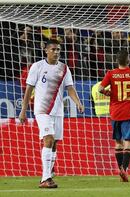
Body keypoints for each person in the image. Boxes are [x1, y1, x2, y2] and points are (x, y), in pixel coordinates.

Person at [19, 39, 84, 188]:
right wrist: (23, 110)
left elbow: (70, 88)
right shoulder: (37, 66)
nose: (56, 52)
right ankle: (45, 178)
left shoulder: (64, 68)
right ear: (46, 50)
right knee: (48, 139)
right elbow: (29, 89)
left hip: (58, 111)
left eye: (58, 50)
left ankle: (49, 172)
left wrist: (78, 102)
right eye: (53, 49)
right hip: (42, 110)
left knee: (54, 143)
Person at [99, 49, 130, 182]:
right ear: (128, 61)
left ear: (116, 61)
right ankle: (125, 170)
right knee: (129, 143)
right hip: (129, 113)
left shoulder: (111, 74)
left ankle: (120, 168)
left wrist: (107, 93)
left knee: (118, 143)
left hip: (115, 113)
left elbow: (100, 88)